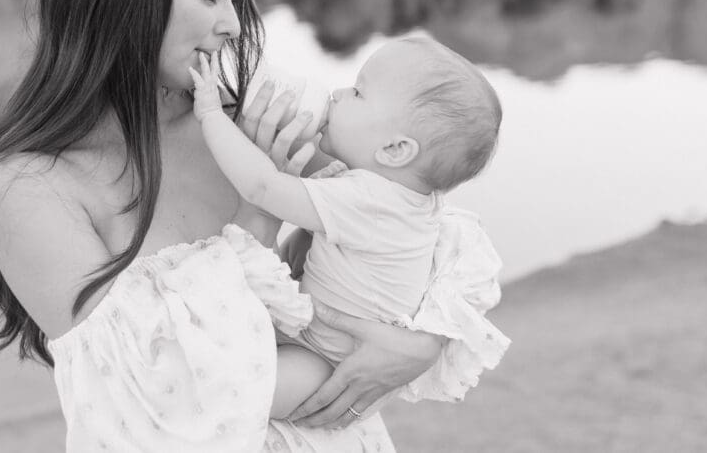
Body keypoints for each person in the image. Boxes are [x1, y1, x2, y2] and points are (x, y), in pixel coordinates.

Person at [0, 0, 501, 452]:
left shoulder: (248, 118)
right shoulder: (30, 188)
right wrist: (260, 212)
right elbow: (158, 387)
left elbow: (418, 210)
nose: (233, 24)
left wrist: (428, 340)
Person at [189, 35, 510, 418]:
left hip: (323, 360)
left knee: (235, 394)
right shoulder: (409, 201)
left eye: (358, 92)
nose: (338, 93)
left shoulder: (368, 201)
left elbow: (262, 186)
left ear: (395, 150)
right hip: (324, 338)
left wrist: (210, 113)